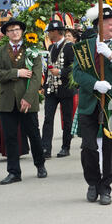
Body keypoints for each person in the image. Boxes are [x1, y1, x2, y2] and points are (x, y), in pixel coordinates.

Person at [72, 4, 112, 205]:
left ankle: (106, 187)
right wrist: (94, 84)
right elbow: (77, 73)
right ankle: (92, 182)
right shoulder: (84, 46)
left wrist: (110, 55)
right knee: (88, 146)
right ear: (99, 26)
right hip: (89, 101)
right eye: (110, 24)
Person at [0, 18, 47, 185]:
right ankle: (14, 172)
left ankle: (40, 164)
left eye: (17, 29)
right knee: (10, 137)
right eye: (10, 30)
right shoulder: (0, 51)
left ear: (22, 32)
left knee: (33, 134)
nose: (14, 32)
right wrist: (17, 73)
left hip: (27, 100)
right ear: (6, 34)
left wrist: (28, 98)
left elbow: (36, 77)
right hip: (7, 101)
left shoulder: (32, 50)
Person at [41, 20, 75, 159]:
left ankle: (65, 147)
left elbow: (74, 67)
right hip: (51, 88)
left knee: (67, 119)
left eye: (50, 31)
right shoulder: (50, 48)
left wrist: (61, 72)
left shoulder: (70, 46)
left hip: (65, 88)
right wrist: (44, 86)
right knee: (48, 118)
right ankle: (45, 148)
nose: (48, 34)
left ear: (56, 32)